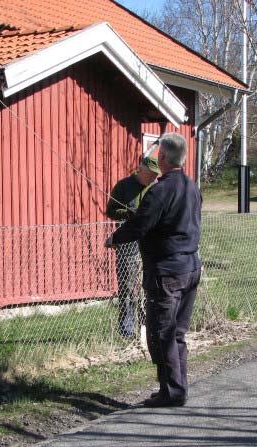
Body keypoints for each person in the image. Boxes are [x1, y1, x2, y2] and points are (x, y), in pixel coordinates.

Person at [105, 133, 202, 407]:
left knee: (162, 333)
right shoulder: (191, 187)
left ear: (162, 158)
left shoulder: (160, 190)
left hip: (167, 271)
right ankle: (176, 388)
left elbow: (142, 224)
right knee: (177, 333)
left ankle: (171, 392)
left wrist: (115, 238)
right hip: (191, 267)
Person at [106, 152, 161, 338]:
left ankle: (147, 325)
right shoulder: (123, 186)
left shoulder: (156, 187)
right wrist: (130, 213)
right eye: (151, 173)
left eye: (156, 175)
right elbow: (111, 211)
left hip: (151, 243)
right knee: (127, 286)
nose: (154, 177)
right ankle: (127, 329)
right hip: (128, 243)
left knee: (150, 284)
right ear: (141, 169)